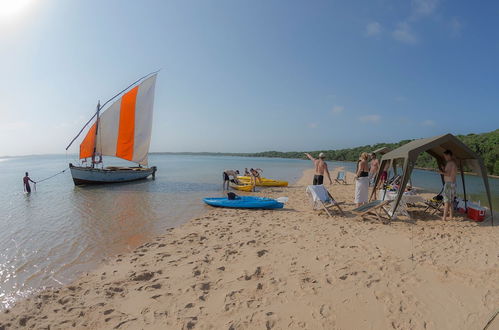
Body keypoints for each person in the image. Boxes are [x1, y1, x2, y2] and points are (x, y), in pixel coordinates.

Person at [439, 150, 457, 221]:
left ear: (449, 155)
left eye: (445, 156)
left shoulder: (450, 163)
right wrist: (444, 169)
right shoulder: (454, 163)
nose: (445, 157)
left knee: (446, 201)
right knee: (451, 201)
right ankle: (451, 216)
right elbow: (450, 173)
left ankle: (444, 217)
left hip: (449, 184)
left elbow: (448, 174)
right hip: (453, 184)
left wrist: (441, 172)